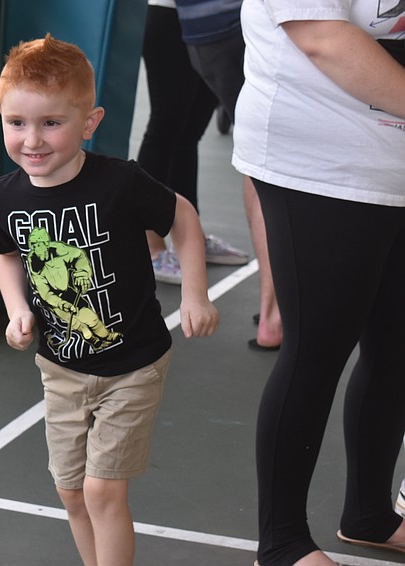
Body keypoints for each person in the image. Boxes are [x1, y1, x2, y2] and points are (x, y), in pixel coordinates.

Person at [0, 34, 219, 566]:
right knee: (70, 492)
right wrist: (18, 309)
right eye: (16, 123)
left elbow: (180, 214)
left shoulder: (119, 183)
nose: (32, 140)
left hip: (132, 365)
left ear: (89, 122)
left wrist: (196, 293)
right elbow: (5, 253)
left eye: (51, 123)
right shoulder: (3, 197)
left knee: (103, 491)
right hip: (60, 368)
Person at [231, 0, 405, 563]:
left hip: (395, 164)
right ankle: (281, 542)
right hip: (322, 167)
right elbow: (324, 39)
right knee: (318, 353)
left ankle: (371, 516)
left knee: (397, 350)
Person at [174, 0, 282, 351]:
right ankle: (275, 314)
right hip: (241, 23)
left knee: (260, 155)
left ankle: (273, 309)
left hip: (205, 30)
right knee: (272, 160)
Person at [138, 0, 250, 286]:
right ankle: (149, 247)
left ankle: (191, 238)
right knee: (165, 128)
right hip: (171, 15)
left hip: (220, 22)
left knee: (189, 135)